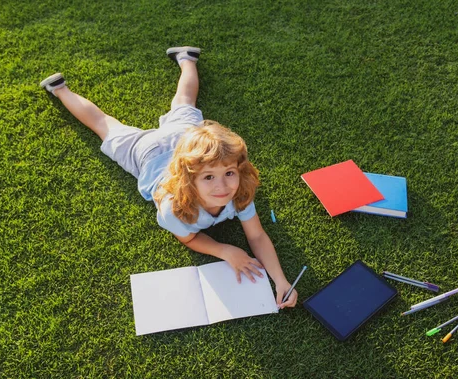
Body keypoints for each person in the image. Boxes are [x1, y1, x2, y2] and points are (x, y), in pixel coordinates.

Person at [40, 46, 297, 308]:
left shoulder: (240, 190)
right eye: (209, 178)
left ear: (239, 170)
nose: (222, 187)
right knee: (103, 124)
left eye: (229, 173)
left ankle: (187, 58)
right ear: (188, 180)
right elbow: (189, 238)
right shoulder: (174, 209)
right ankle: (60, 89)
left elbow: (256, 236)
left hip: (185, 136)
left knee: (185, 101)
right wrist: (224, 250)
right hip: (149, 152)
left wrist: (280, 279)